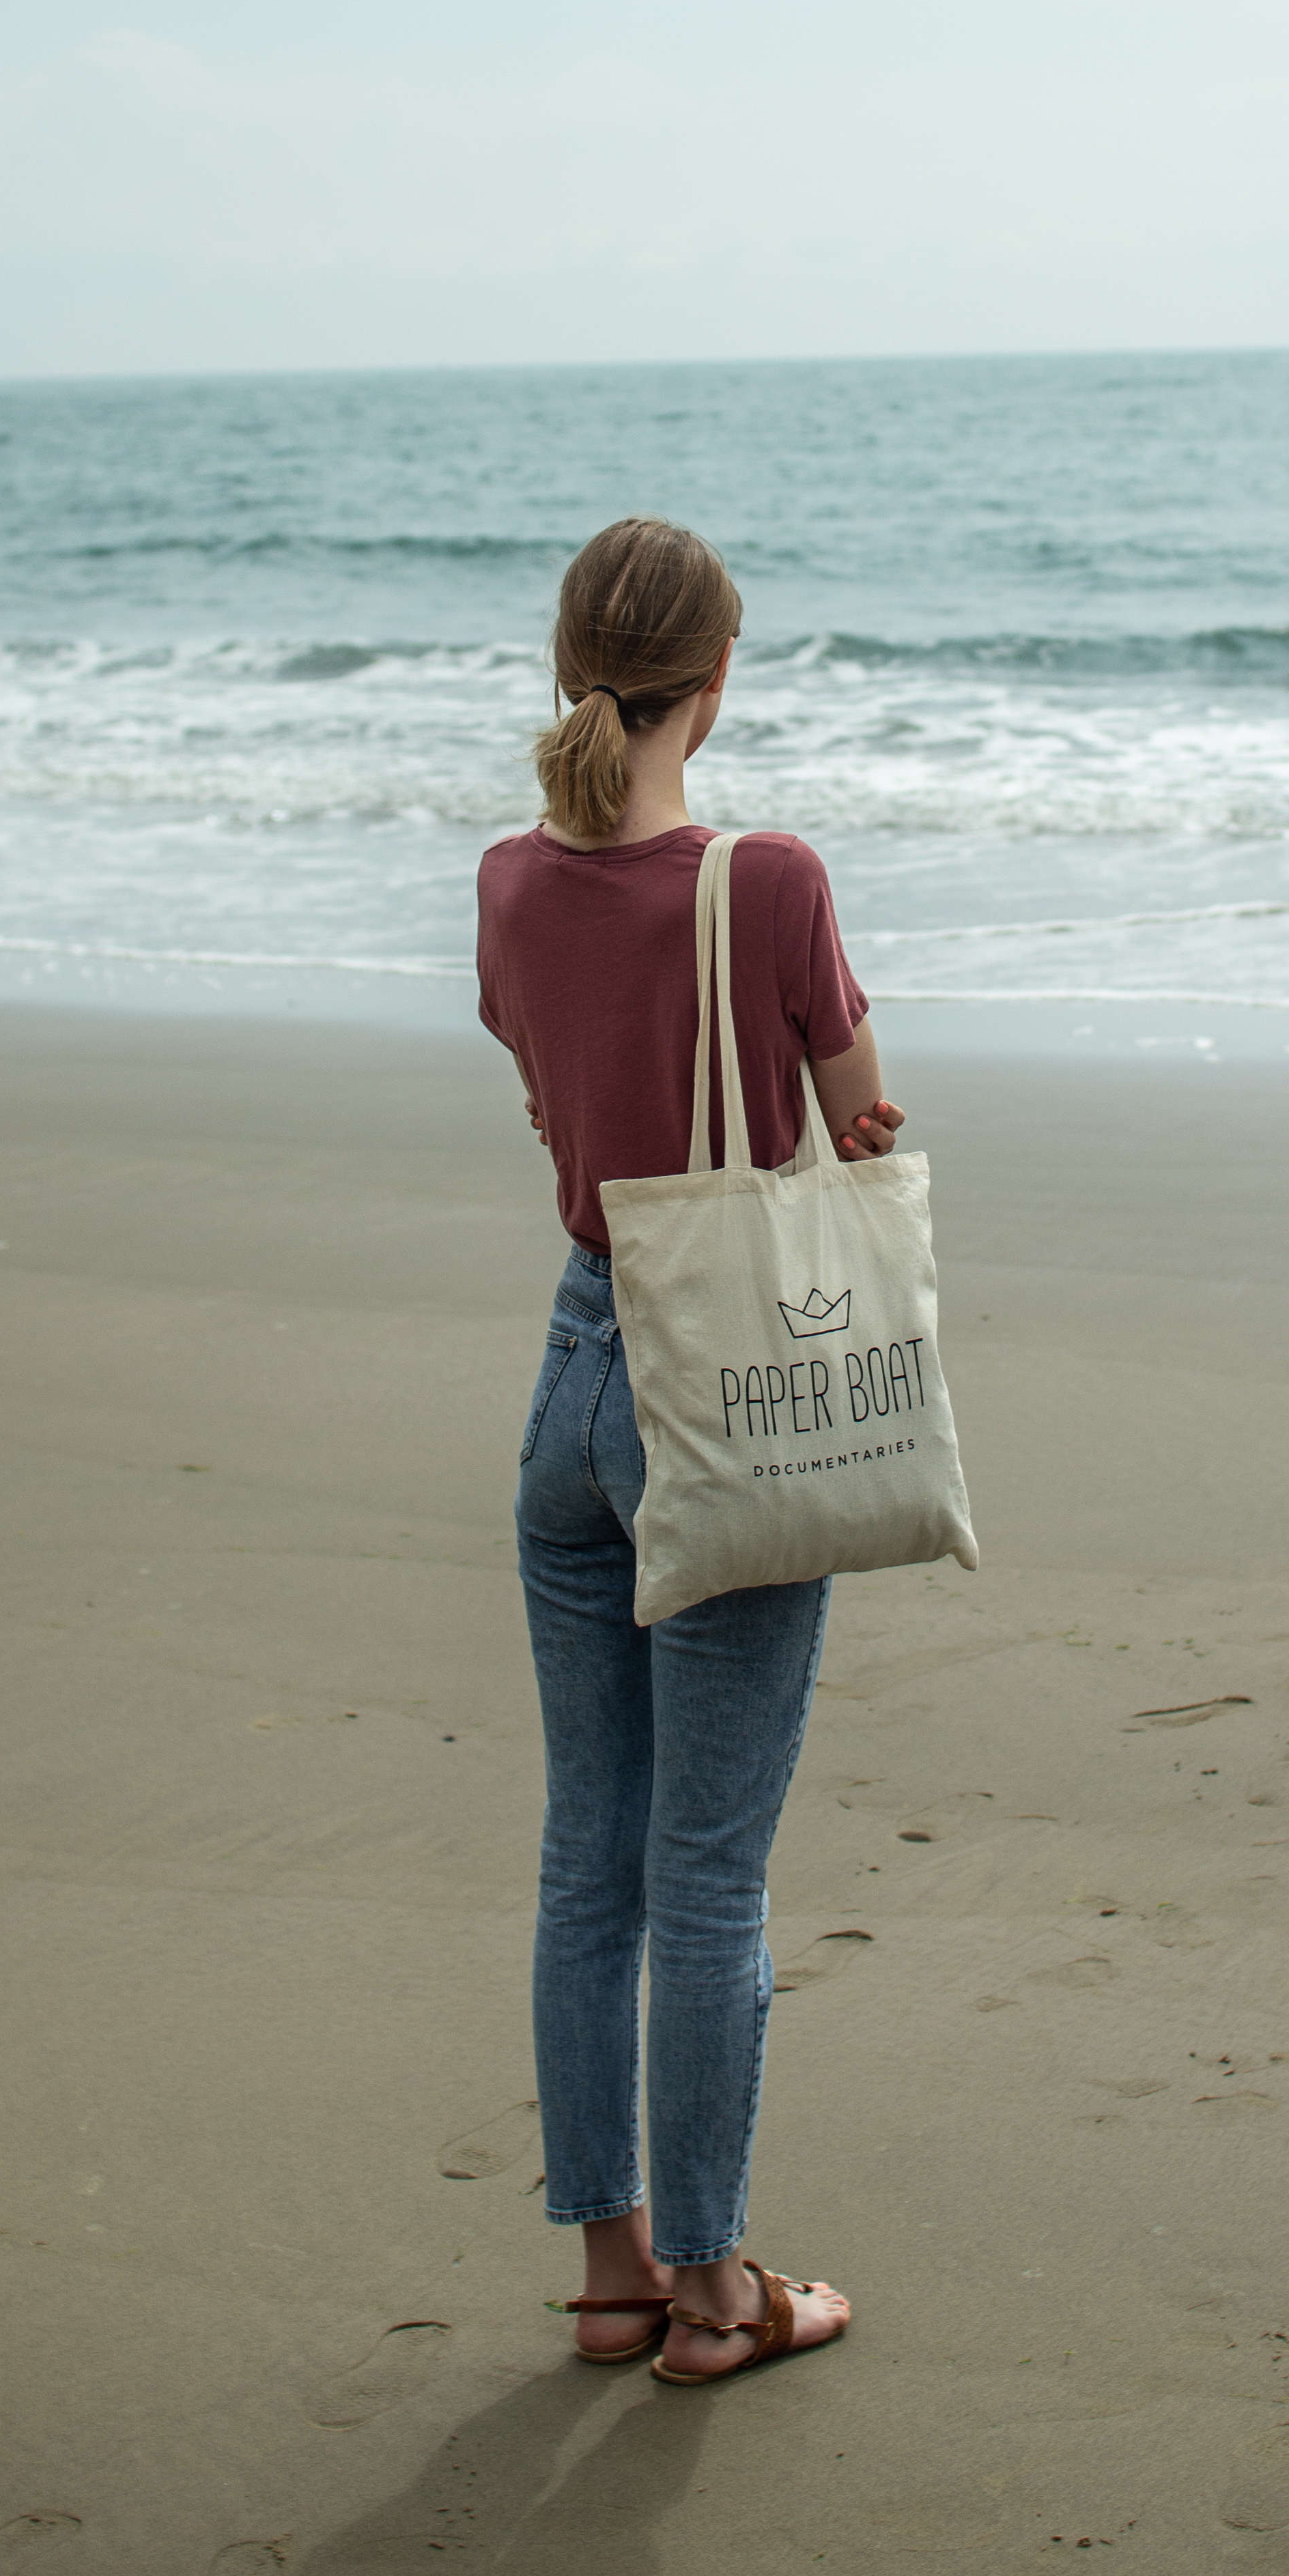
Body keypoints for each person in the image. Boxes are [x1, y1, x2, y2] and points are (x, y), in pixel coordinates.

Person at [475, 517, 898, 2385]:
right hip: (722, 1394)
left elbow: (551, 1098)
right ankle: (724, 2294)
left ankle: (611, 2271)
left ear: (572, 665)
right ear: (714, 687)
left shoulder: (504, 881)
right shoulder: (772, 879)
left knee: (594, 1862)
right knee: (712, 1869)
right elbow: (858, 1120)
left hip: (572, 1384)